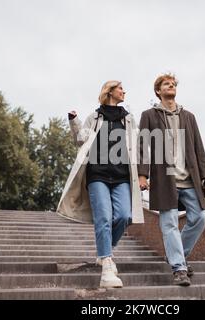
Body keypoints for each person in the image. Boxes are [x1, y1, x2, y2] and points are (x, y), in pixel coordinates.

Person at [57, 80, 144, 288]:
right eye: (120, 88)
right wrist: (73, 121)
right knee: (103, 217)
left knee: (124, 215)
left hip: (122, 175)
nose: (124, 91)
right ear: (110, 91)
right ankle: (106, 266)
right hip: (97, 174)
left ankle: (106, 251)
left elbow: (137, 146)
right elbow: (80, 138)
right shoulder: (95, 117)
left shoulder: (128, 119)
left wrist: (142, 174)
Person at [137, 73, 205, 286]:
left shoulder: (188, 116)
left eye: (173, 84)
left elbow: (199, 147)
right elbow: (143, 146)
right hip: (165, 179)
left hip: (190, 179)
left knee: (200, 217)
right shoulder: (149, 115)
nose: (171, 86)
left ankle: (177, 255)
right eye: (166, 84)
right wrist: (142, 175)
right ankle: (179, 267)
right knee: (169, 222)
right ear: (158, 91)